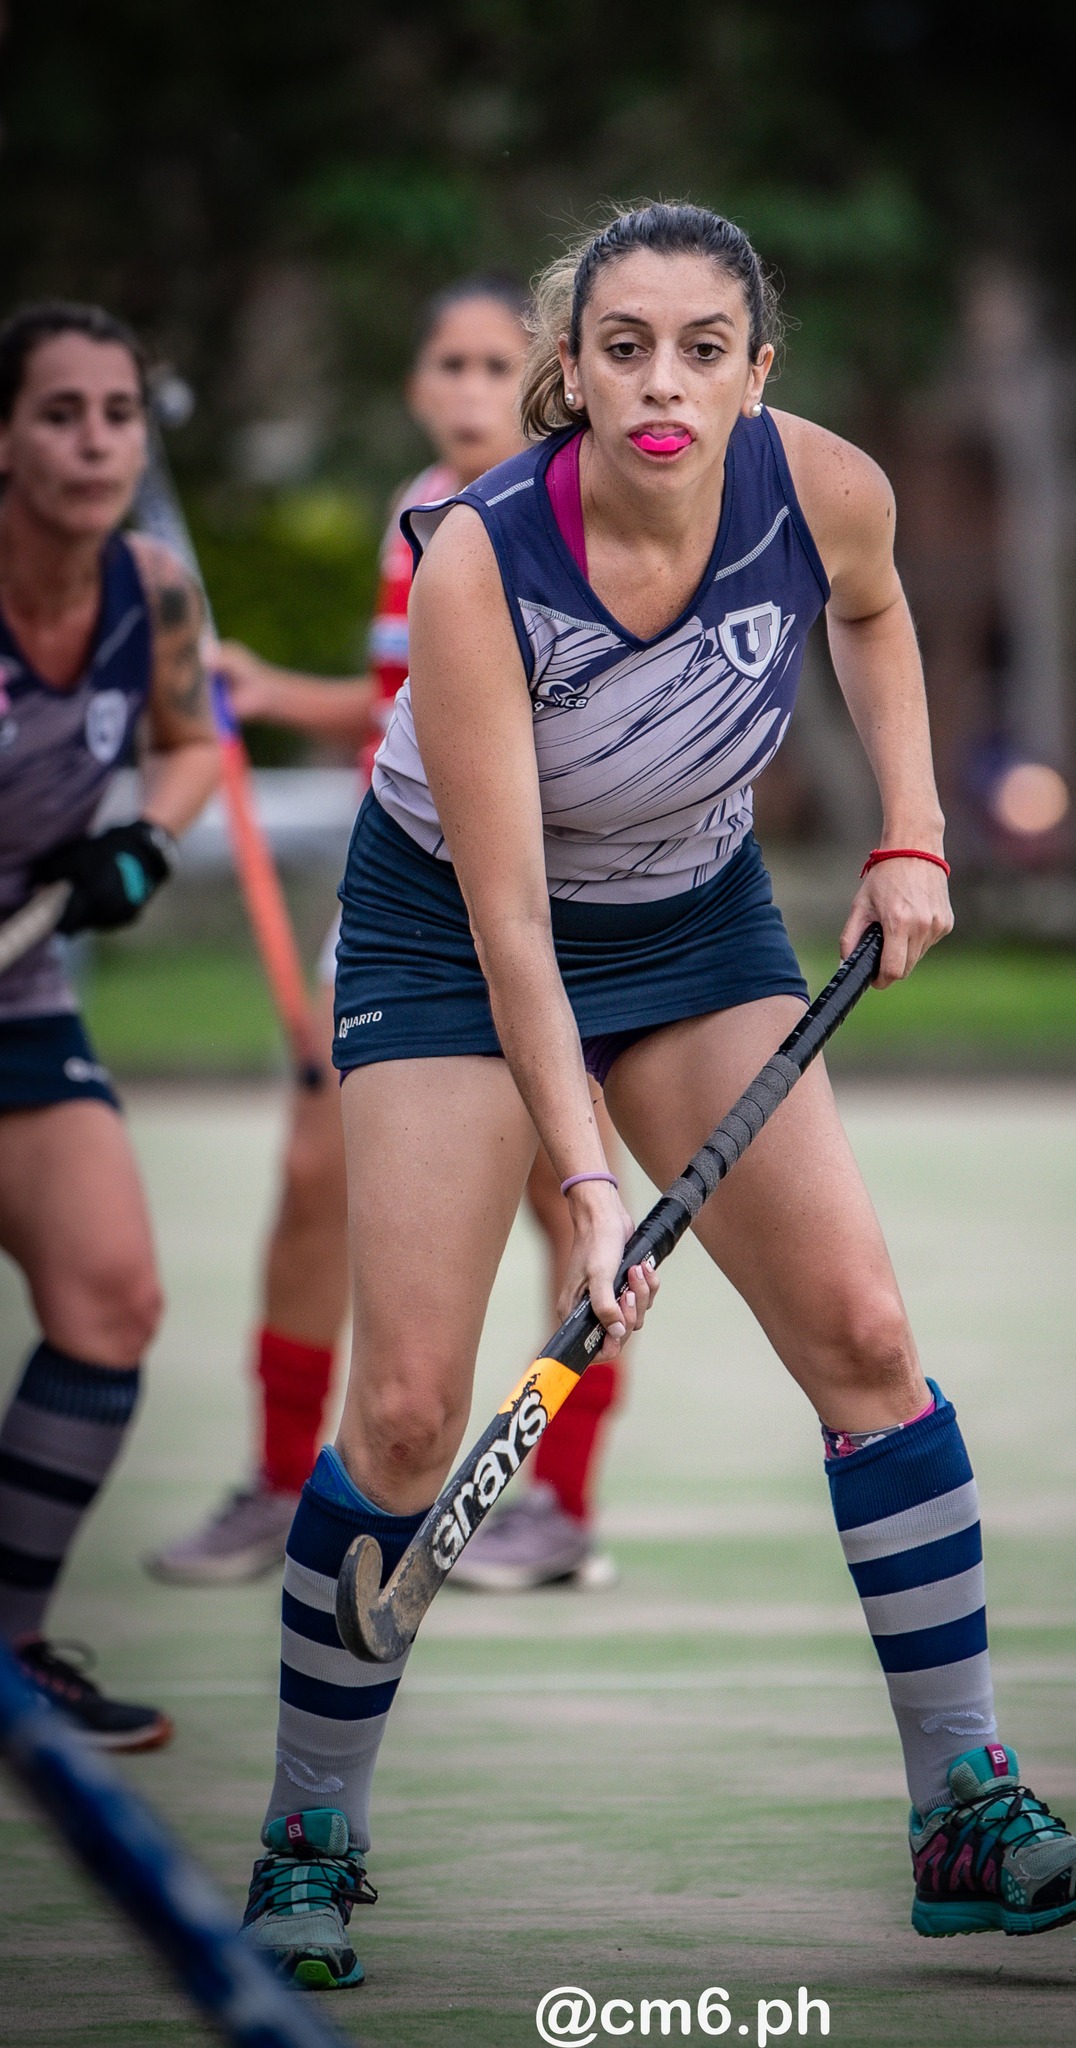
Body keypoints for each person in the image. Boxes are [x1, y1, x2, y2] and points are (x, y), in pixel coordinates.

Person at [240, 203, 1076, 1991]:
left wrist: (910, 831)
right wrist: (583, 1188)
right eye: (624, 346)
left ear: (755, 366)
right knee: (410, 1413)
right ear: (568, 369)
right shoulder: (482, 560)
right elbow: (508, 923)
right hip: (449, 941)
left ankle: (962, 1801)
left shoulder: (825, 488)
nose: (663, 382)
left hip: (696, 918)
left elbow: (874, 622)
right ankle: (308, 1830)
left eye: (702, 347)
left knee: (867, 1339)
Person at [146, 277, 625, 1594]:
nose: (472, 389)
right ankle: (274, 1479)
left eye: (494, 365)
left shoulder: (565, 517)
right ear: (418, 387)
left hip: (543, 892)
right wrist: (263, 683)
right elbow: (398, 706)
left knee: (557, 1192)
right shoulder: (415, 509)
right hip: (397, 888)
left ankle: (560, 1507)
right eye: (449, 366)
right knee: (313, 1177)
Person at [0, 301, 219, 1748]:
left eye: (119, 414)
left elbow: (194, 741)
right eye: (61, 412)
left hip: (22, 1004)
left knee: (111, 1303)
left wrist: (138, 844)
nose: (95, 442)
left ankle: (11, 1660)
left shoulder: (154, 591)